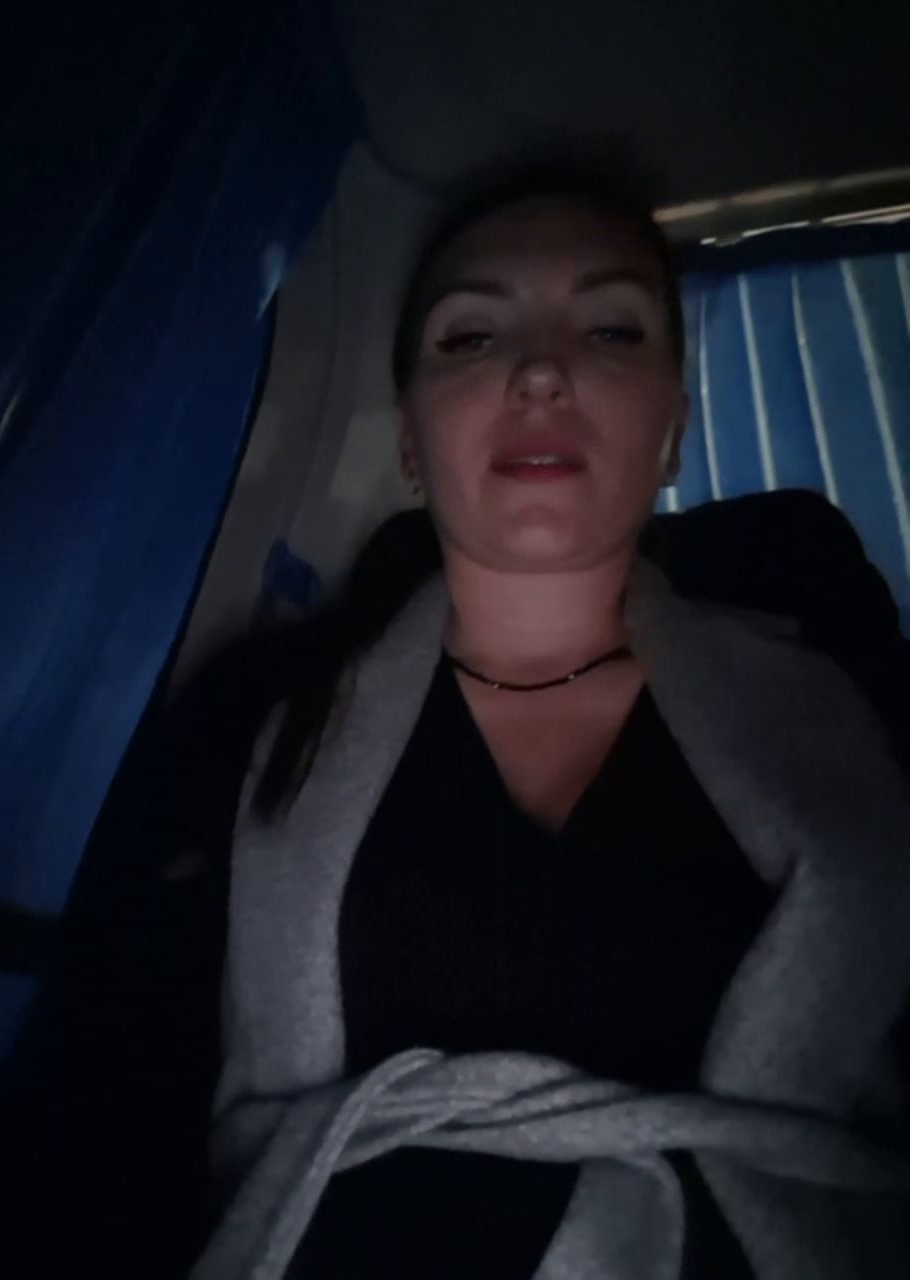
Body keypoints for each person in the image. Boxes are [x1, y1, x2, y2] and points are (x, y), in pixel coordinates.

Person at [189, 164, 910, 1280]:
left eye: (611, 330)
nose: (538, 370)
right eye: (473, 337)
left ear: (673, 428)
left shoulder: (837, 712)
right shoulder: (261, 717)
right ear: (412, 441)